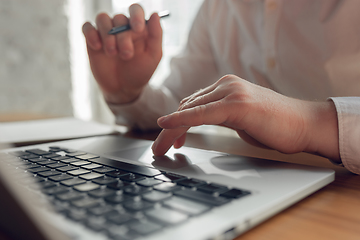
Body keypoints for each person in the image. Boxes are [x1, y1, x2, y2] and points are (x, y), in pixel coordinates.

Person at [82, 0, 360, 175]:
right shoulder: (217, 7)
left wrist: (308, 124)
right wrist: (127, 93)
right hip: (254, 179)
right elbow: (180, 109)